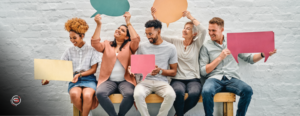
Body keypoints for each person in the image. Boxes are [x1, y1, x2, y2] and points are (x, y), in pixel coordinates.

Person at [199, 17, 277, 116]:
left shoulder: (233, 42)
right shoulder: (206, 46)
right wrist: (220, 57)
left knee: (247, 90)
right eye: (209, 30)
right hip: (214, 79)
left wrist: (263, 54)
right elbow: (203, 71)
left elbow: (250, 59)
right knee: (206, 91)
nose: (210, 33)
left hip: (232, 78)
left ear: (222, 29)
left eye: (213, 30)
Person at [150, 7, 206, 116]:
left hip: (193, 79)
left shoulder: (197, 44)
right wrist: (155, 20)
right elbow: (159, 36)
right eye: (184, 28)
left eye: (188, 29)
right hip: (177, 79)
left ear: (194, 33)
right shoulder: (176, 42)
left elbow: (203, 30)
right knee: (178, 92)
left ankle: (178, 115)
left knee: (195, 94)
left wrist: (190, 17)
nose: (184, 30)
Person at [42, 17, 100, 116]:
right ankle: (86, 114)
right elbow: (60, 66)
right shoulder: (69, 51)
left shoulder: (92, 50)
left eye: (74, 38)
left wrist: (80, 74)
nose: (72, 40)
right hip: (74, 79)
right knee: (74, 94)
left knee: (87, 95)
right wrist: (48, 77)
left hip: (89, 79)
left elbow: (93, 69)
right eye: (70, 38)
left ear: (81, 36)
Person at [91, 12, 140, 116]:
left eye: (122, 30)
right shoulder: (106, 44)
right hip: (108, 81)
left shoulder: (130, 46)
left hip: (125, 81)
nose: (118, 30)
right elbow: (94, 43)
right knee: (100, 93)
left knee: (130, 94)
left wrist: (128, 23)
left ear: (127, 37)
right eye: (118, 28)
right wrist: (99, 25)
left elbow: (136, 39)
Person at [131, 19, 178, 116]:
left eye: (151, 34)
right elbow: (138, 69)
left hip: (162, 82)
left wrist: (160, 71)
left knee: (171, 95)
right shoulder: (142, 47)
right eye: (146, 34)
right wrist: (132, 70)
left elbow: (174, 72)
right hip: (145, 81)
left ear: (159, 31)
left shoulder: (171, 48)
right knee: (137, 95)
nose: (148, 37)